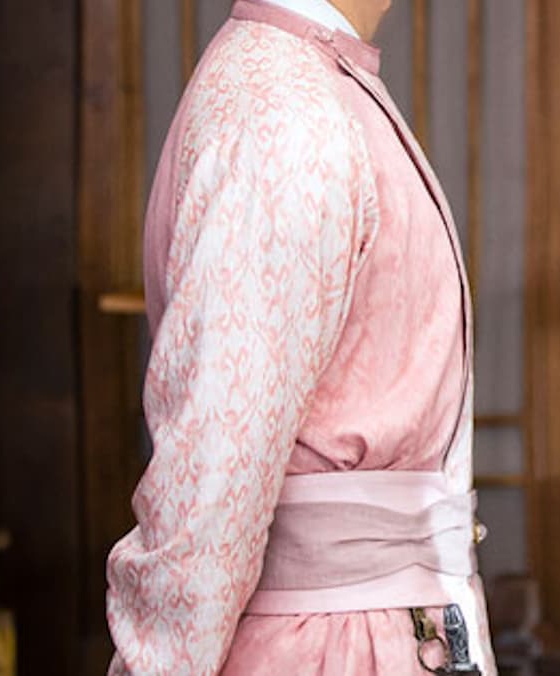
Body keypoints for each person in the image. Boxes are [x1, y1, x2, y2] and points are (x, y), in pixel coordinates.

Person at [106, 0, 494, 672]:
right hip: (325, 644)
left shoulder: (302, 82)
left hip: (363, 630)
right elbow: (216, 467)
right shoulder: (282, 113)